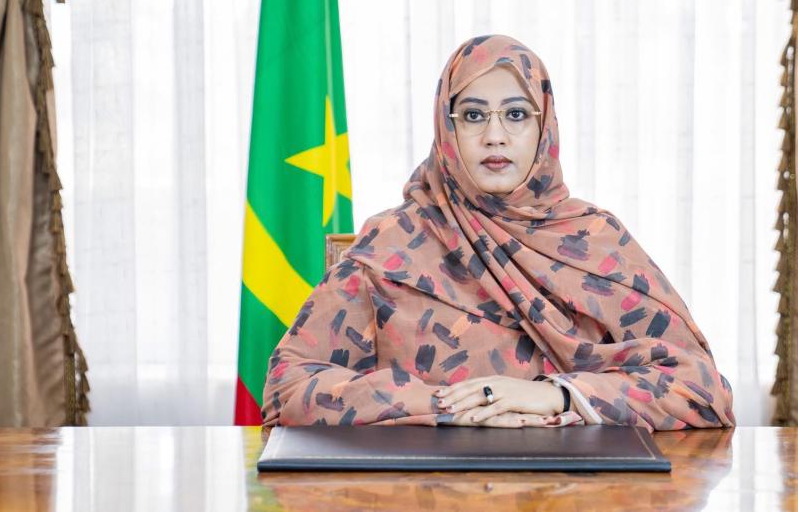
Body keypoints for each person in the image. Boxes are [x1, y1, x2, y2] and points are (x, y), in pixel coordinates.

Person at [260, 35, 735, 430]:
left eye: (516, 114)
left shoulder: (594, 241)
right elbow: (287, 388)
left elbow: (702, 390)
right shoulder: (393, 241)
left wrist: (555, 396)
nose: (495, 136)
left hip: (575, 492)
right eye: (472, 115)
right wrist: (450, 405)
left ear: (544, 126)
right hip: (419, 490)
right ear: (447, 130)